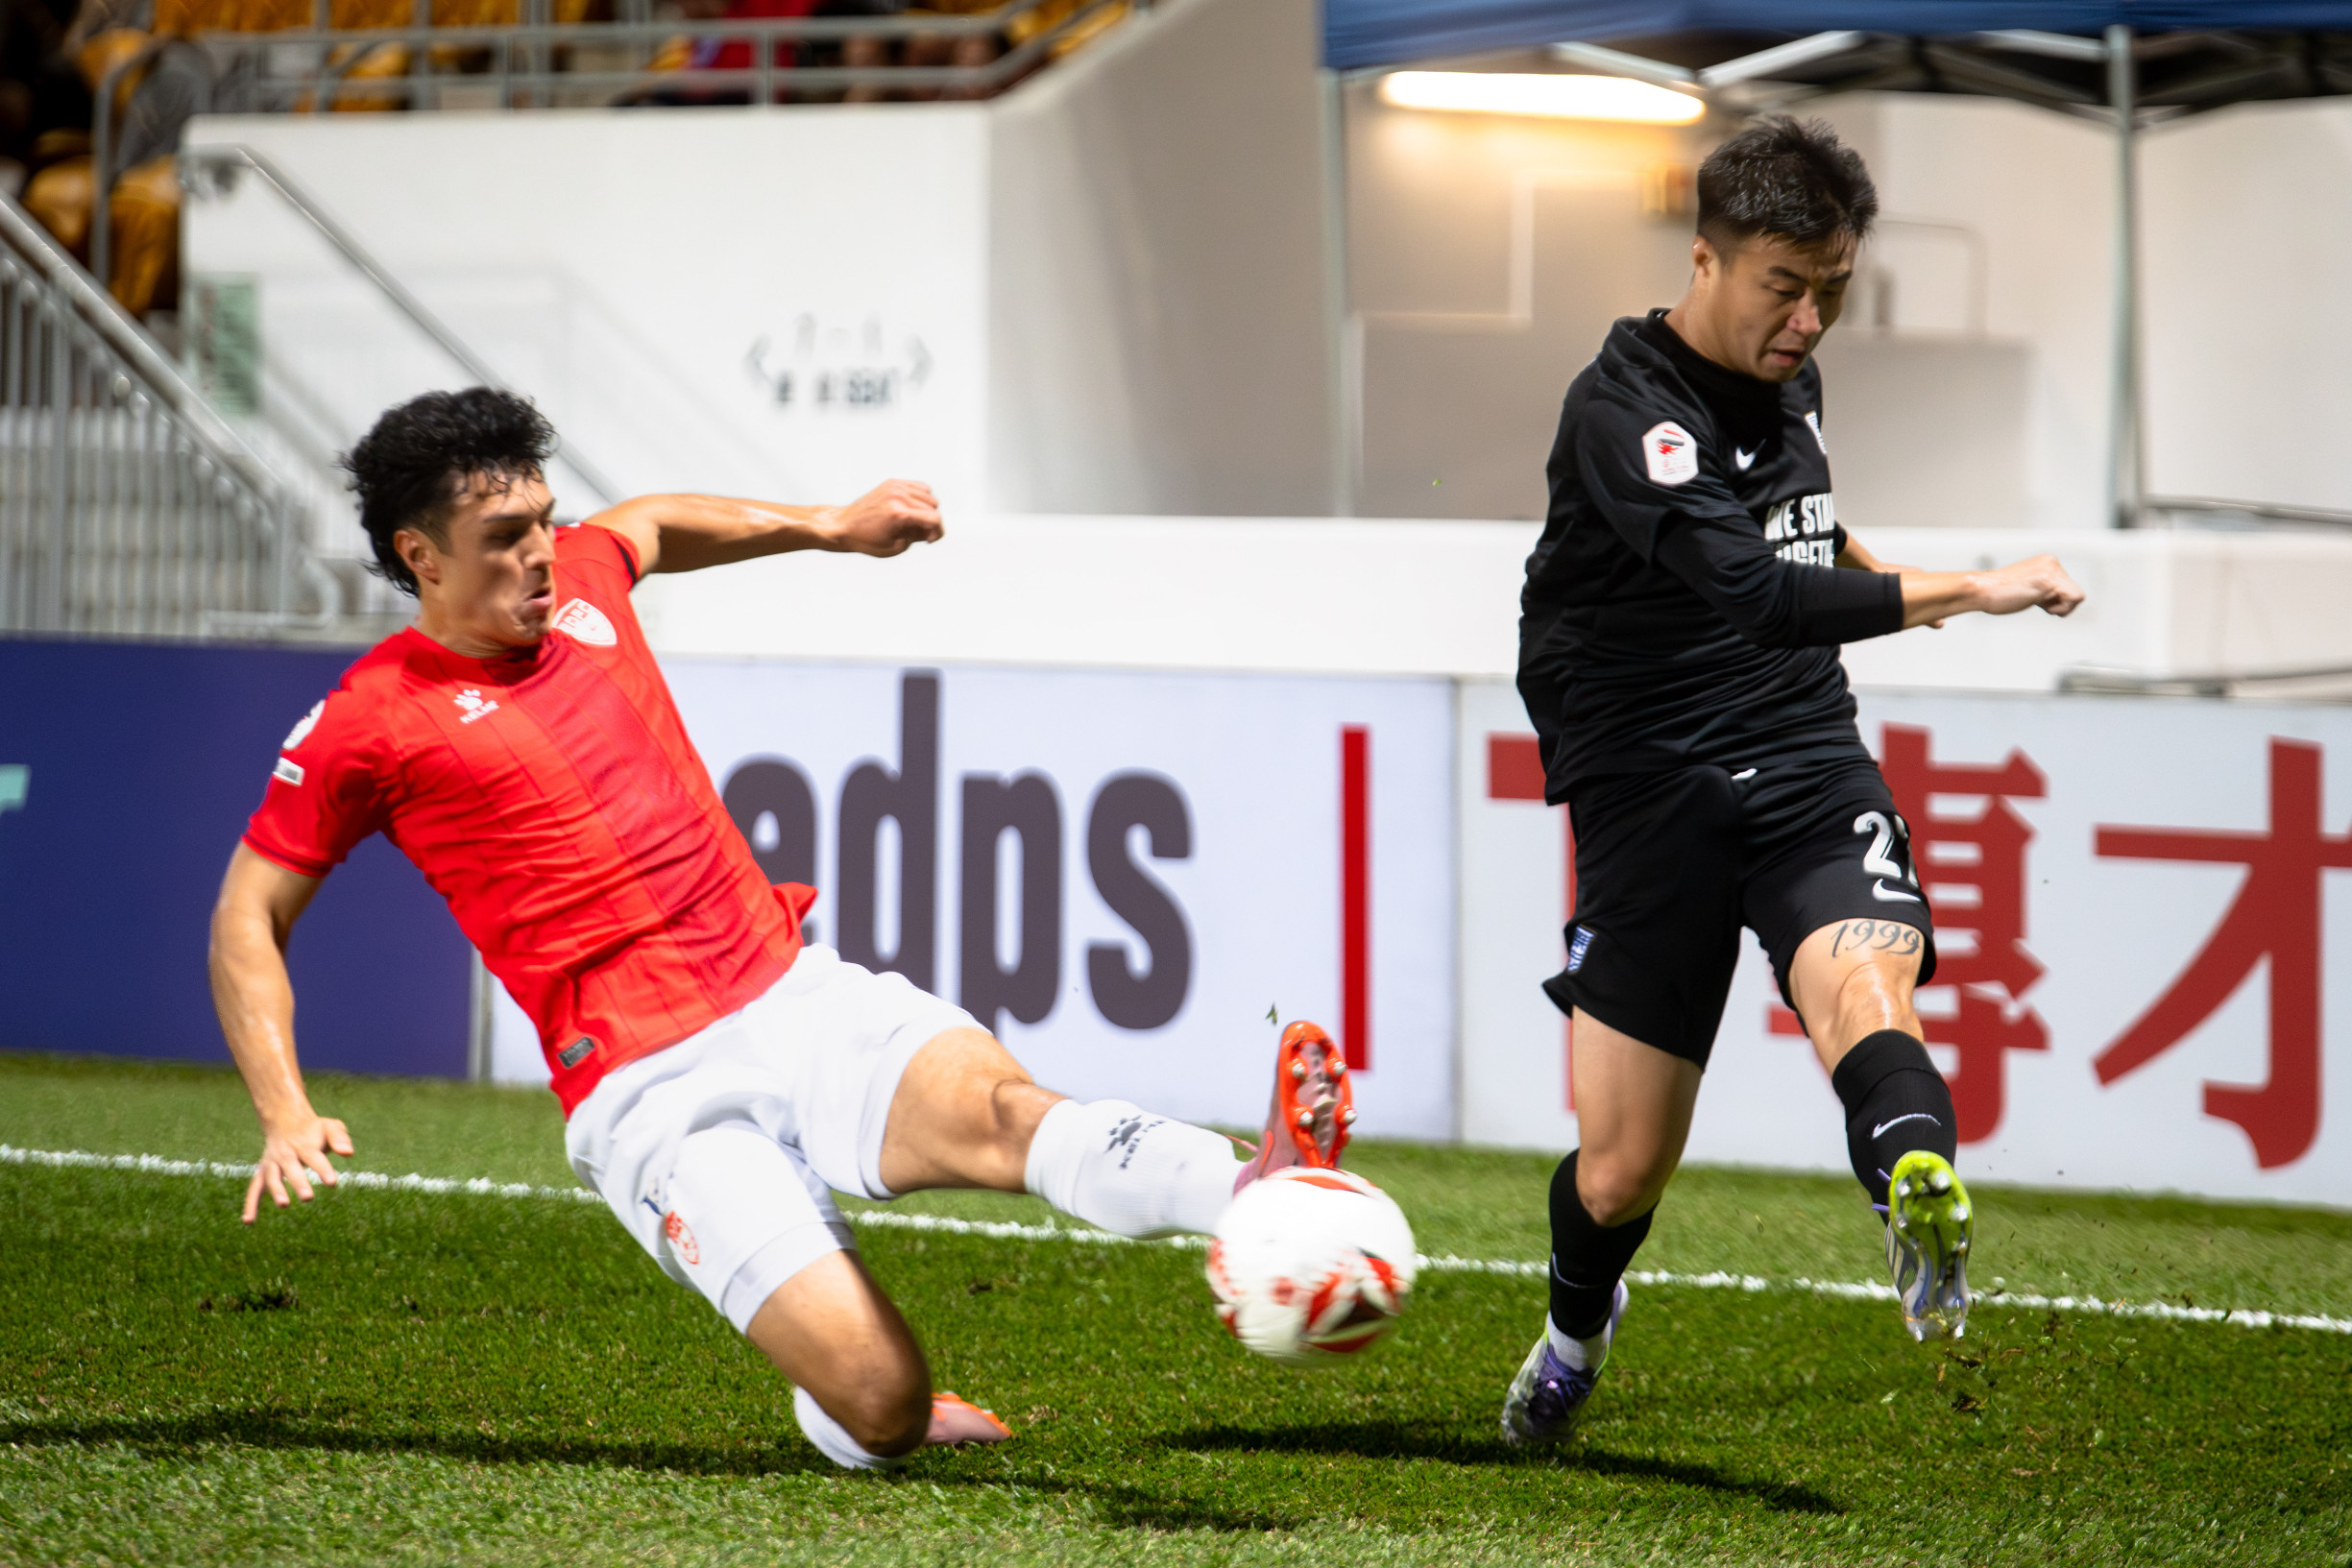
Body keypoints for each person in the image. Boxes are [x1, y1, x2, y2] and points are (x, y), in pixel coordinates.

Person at [211, 387, 1358, 1468]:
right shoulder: (369, 720)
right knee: (884, 1401)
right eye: (505, 536)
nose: (543, 552)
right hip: (652, 1092)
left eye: (545, 521)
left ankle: (1248, 1184)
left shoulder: (584, 586)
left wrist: (829, 525)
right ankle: (849, 1404)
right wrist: (284, 1109)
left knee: (1004, 1113)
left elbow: (648, 522)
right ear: (420, 555)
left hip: (791, 992)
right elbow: (247, 913)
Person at [1500, 117, 2084, 1445]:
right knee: (1619, 1170)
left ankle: (1910, 1177)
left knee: (1865, 989)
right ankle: (1575, 1332)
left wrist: (1891, 579)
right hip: (1652, 783)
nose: (1809, 320)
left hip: (1805, 752)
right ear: (1704, 260)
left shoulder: (1791, 377)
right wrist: (1970, 589)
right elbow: (1758, 592)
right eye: (1784, 286)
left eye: (1832, 289)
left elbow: (1799, 533)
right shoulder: (1625, 412)